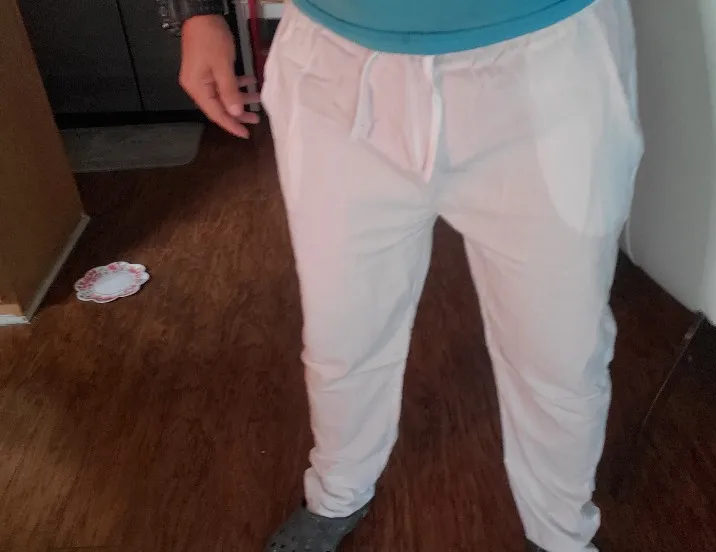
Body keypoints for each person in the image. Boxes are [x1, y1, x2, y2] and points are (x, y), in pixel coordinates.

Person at [165, 0, 643, 550]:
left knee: (560, 348)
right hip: (332, 60)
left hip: (547, 56)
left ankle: (560, 533)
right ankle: (338, 490)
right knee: (343, 328)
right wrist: (198, 11)